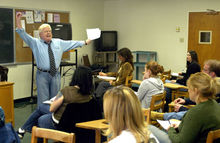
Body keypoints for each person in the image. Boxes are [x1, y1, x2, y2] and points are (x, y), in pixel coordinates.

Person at [15, 12, 92, 107]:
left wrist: (85, 42)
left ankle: (53, 119)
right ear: (40, 34)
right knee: (43, 102)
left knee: (55, 100)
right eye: (45, 31)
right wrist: (18, 20)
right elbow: (23, 34)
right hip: (42, 75)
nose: (48, 33)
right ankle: (43, 120)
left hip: (55, 74)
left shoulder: (58, 42)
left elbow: (72, 43)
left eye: (50, 31)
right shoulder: (35, 43)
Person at [17, 66, 93, 139]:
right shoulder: (90, 96)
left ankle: (23, 130)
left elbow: (52, 109)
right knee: (41, 109)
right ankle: (22, 129)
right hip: (77, 124)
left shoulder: (66, 91)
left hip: (60, 123)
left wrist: (54, 102)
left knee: (40, 118)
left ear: (75, 77)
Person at [149, 72, 220, 143]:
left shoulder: (195, 112)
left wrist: (171, 129)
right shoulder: (215, 105)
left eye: (189, 88)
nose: (188, 91)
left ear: (195, 90)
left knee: (149, 128)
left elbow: (180, 141)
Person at [152, 59, 220, 121]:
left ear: (212, 73)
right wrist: (185, 101)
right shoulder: (212, 87)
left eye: (205, 70)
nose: (202, 71)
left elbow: (199, 114)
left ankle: (160, 115)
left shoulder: (215, 91)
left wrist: (182, 108)